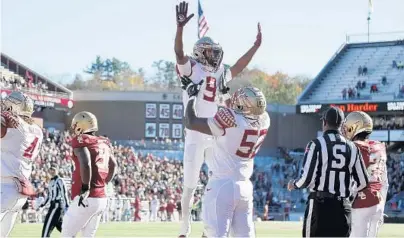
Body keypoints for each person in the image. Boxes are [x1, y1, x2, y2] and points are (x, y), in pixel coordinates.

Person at [174, 2, 262, 236]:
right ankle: (184, 226)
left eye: (216, 51)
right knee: (189, 186)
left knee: (217, 181)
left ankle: (209, 227)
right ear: (200, 53)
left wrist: (255, 47)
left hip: (214, 133)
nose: (216, 55)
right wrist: (180, 28)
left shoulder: (221, 71)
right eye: (211, 51)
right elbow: (179, 54)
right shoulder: (192, 68)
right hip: (194, 133)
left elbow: (240, 66)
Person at [183, 80, 270, 237]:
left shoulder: (230, 119)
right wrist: (225, 95)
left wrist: (191, 97)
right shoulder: (264, 121)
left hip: (222, 185)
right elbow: (240, 116)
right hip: (245, 187)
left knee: (215, 235)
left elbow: (191, 122)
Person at [287, 106, 369, 237]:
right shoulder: (353, 148)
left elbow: (307, 178)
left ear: (324, 122)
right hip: (343, 208)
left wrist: (294, 184)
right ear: (342, 125)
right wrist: (347, 195)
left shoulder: (316, 144)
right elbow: (363, 182)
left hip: (319, 207)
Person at [61, 111, 117, 237]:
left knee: (67, 233)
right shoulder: (104, 142)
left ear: (81, 125)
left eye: (75, 124)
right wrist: (104, 183)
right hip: (101, 198)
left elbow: (86, 164)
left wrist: (85, 187)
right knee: (88, 235)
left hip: (87, 197)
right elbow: (113, 166)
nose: (74, 127)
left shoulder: (81, 140)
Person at [1, 91, 43, 237]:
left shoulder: (13, 126)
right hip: (19, 189)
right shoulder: (37, 130)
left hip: (5, 188)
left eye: (7, 104)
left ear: (14, 107)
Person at [342, 111, 388, 238]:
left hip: (360, 204)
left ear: (354, 127)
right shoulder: (379, 147)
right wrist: (382, 207)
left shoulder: (352, 148)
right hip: (378, 203)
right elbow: (385, 183)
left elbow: (351, 182)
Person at [40, 165, 69, 237]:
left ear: (57, 170)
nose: (52, 171)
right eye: (50, 170)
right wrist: (42, 204)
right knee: (64, 230)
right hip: (53, 206)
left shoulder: (59, 180)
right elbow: (49, 196)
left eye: (53, 169)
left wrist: (67, 207)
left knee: (45, 232)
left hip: (57, 206)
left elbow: (64, 194)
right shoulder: (51, 181)